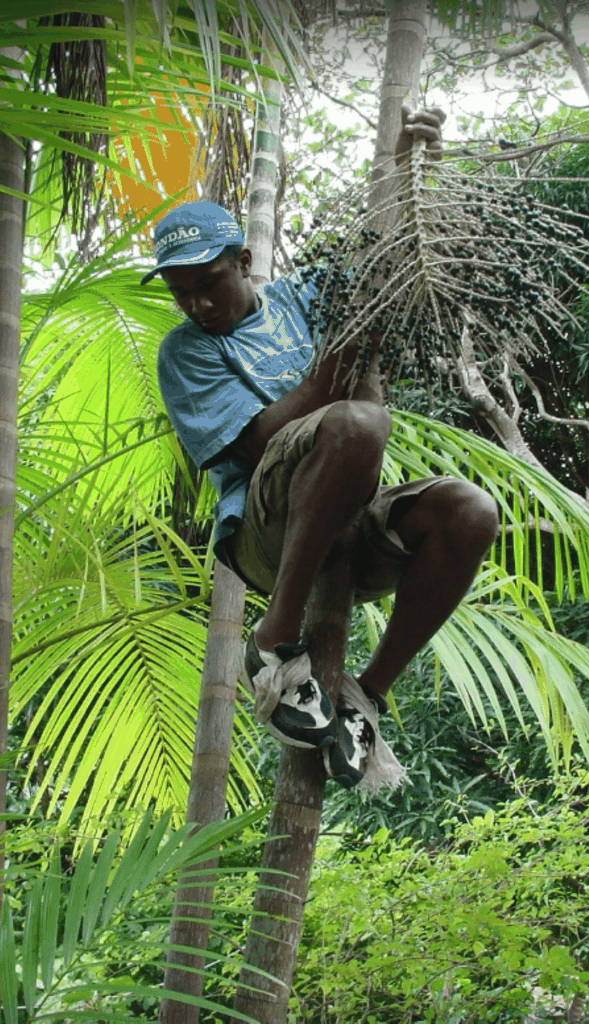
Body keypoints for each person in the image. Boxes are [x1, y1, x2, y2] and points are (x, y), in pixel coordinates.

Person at [143, 110, 500, 789]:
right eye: (180, 293)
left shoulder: (307, 295)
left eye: (208, 284)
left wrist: (416, 167)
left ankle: (367, 694)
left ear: (243, 262)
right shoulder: (184, 353)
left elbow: (389, 262)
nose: (195, 305)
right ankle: (275, 641)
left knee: (471, 511)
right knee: (359, 424)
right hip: (265, 532)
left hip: (347, 517)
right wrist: (334, 361)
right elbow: (258, 445)